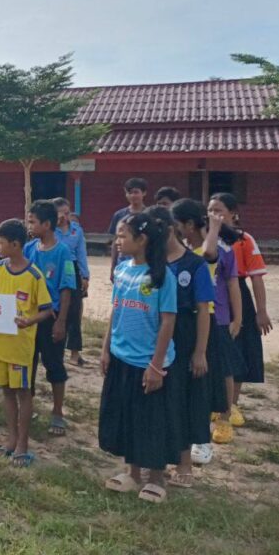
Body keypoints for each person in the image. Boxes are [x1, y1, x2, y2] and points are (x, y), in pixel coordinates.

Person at [99, 212, 177, 504]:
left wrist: (156, 365)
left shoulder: (161, 276)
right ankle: (132, 472)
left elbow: (168, 321)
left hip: (148, 361)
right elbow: (116, 309)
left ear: (142, 239)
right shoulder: (121, 270)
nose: (117, 241)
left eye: (122, 236)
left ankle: (156, 477)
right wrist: (106, 348)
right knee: (127, 416)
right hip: (121, 356)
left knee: (151, 421)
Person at [0, 218, 52, 467]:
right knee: (6, 391)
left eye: (0, 243)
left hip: (20, 347)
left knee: (23, 393)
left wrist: (29, 321)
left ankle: (23, 443)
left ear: (16, 244)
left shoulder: (33, 275)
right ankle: (11, 438)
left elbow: (46, 310)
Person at [171, 200, 242, 460]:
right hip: (185, 322)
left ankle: (210, 433)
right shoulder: (184, 247)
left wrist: (213, 227)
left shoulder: (211, 248)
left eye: (177, 224)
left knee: (211, 378)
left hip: (208, 321)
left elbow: (209, 254)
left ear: (189, 224)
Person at [147, 206, 213, 488]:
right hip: (153, 335)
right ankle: (155, 461)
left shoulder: (194, 264)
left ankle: (184, 464)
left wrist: (200, 352)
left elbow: (203, 310)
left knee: (182, 399)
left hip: (184, 336)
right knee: (156, 400)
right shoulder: (150, 262)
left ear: (170, 228)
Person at [208, 193, 269, 428]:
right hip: (213, 294)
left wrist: (261, 311)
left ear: (233, 213)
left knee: (238, 348)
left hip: (237, 295)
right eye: (210, 210)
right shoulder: (206, 237)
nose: (214, 215)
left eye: (219, 210)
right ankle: (215, 401)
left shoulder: (244, 240)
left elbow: (257, 278)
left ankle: (232, 404)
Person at [24, 200, 76, 437]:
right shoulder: (29, 248)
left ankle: (57, 411)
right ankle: (28, 406)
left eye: (32, 222)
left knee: (53, 363)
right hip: (29, 316)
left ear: (46, 224)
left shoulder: (63, 252)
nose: (29, 226)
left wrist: (61, 321)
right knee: (27, 362)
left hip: (51, 316)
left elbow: (66, 288)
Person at [52, 198, 90, 366]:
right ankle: (55, 350)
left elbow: (81, 253)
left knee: (74, 311)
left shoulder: (76, 230)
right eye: (62, 213)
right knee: (55, 308)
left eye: (67, 213)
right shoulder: (50, 230)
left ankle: (75, 353)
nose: (66, 217)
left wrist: (85, 276)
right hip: (54, 268)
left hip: (71, 268)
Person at [108, 178, 148, 277]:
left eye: (136, 192)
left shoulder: (149, 215)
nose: (133, 195)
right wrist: (113, 265)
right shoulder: (119, 215)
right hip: (123, 260)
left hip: (145, 261)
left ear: (144, 193)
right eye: (129, 193)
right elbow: (115, 241)